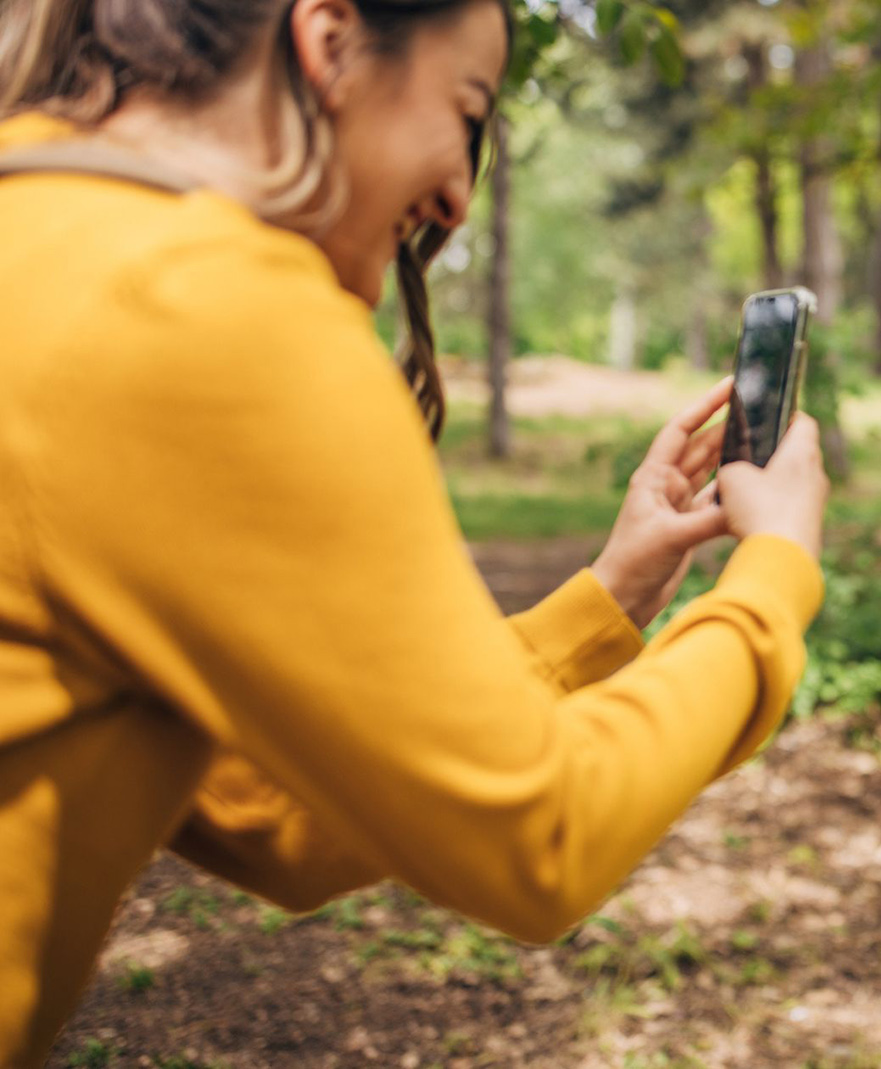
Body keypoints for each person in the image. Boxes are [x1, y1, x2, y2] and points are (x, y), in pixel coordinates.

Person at [0, 1, 830, 1062]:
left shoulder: (50, 232)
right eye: (465, 109)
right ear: (328, 41)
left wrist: (608, 599)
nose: (456, 193)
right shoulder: (202, 308)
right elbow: (545, 839)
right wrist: (772, 581)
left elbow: (264, 810)